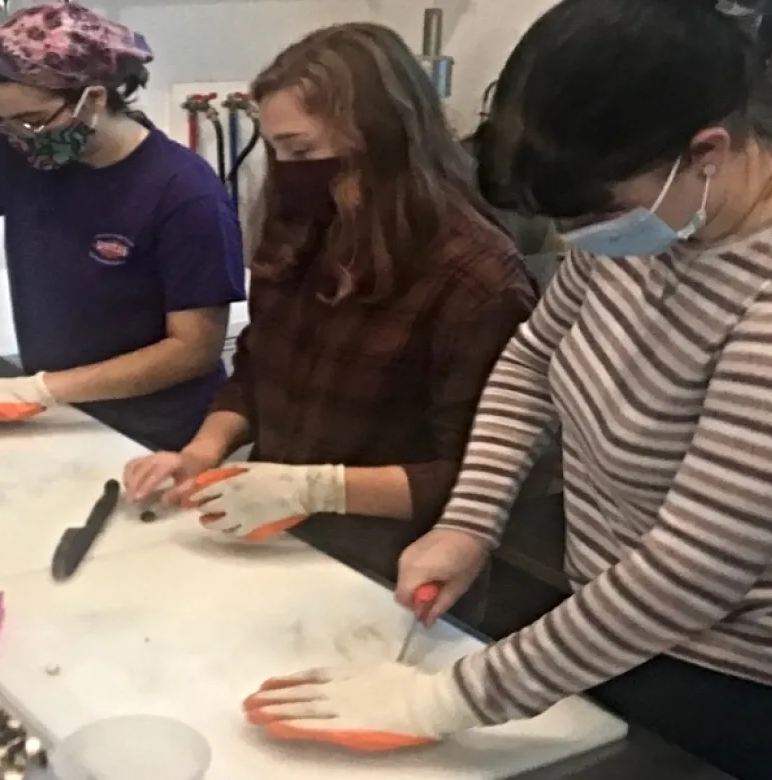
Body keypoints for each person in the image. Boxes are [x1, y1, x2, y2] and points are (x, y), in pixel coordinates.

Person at [240, 2, 772, 779]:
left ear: (705, 150)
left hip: (770, 687)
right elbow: (534, 358)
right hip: (621, 628)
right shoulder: (654, 217)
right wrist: (469, 523)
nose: (586, 240)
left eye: (598, 212)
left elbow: (690, 573)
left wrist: (443, 701)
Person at [120, 23, 537, 584]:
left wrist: (317, 486)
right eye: (276, 151)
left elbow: (475, 478)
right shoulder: (303, 227)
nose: (288, 171)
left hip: (403, 566)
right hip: (282, 535)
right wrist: (201, 452)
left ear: (382, 138)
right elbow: (257, 365)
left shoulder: (477, 280)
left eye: (302, 150)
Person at [0, 3, 245, 451]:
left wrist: (39, 390)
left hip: (157, 437)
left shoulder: (183, 194)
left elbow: (193, 350)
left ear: (96, 99)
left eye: (31, 120)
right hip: (63, 417)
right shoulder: (18, 143)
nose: (15, 134)